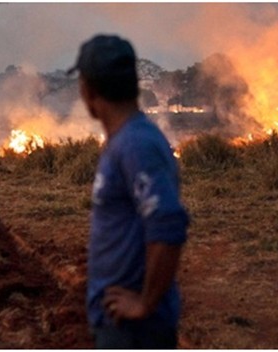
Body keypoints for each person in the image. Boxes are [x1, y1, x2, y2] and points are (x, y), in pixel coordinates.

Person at [67, 34, 189, 349]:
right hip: (117, 322)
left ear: (88, 90)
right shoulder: (124, 141)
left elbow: (169, 223)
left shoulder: (136, 144)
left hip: (135, 331)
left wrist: (145, 303)